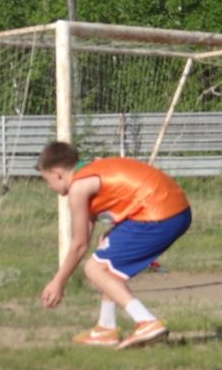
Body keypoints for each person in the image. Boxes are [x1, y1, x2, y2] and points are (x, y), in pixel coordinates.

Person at [36, 141, 192, 349]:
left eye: (47, 181)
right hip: (177, 210)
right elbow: (86, 239)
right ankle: (106, 327)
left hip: (158, 214)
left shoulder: (78, 187)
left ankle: (146, 322)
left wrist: (58, 282)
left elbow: (80, 244)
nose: (49, 187)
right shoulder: (91, 171)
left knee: (94, 268)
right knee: (104, 249)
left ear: (57, 173)